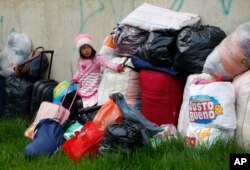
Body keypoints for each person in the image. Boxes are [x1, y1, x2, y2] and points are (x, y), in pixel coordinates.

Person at [63, 34, 123, 120]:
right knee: (68, 98)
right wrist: (75, 79)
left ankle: (83, 117)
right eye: (83, 48)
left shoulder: (96, 58)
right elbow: (79, 71)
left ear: (91, 48)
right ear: (80, 51)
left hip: (93, 88)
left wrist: (117, 67)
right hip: (82, 87)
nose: (86, 50)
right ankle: (72, 117)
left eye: (88, 47)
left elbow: (107, 63)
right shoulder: (80, 60)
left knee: (91, 104)